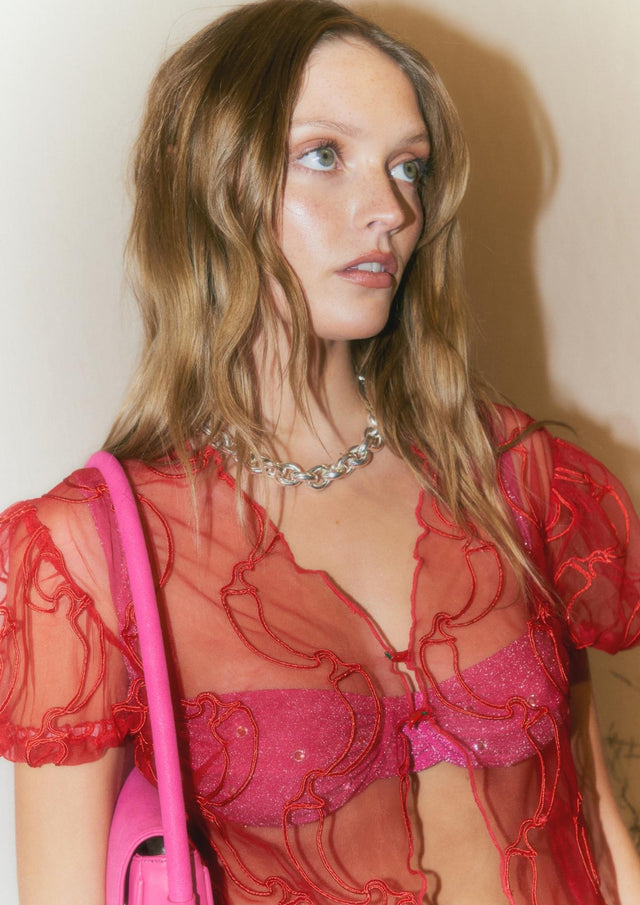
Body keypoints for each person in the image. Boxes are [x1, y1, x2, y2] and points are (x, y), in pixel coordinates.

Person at [1, 1, 639, 903]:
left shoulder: (509, 471)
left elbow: (600, 828)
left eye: (408, 166)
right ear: (209, 181)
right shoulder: (89, 552)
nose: (391, 210)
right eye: (325, 155)